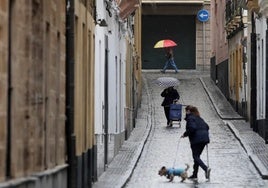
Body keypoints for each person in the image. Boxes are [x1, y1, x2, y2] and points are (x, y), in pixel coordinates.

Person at [181, 105, 211, 180]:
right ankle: (195, 174)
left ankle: (206, 169)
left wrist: (185, 134)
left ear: (189, 111)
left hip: (196, 140)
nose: (185, 113)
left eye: (186, 111)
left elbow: (192, 128)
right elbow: (207, 127)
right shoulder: (199, 118)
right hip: (204, 140)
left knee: (195, 156)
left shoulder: (190, 118)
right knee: (197, 157)